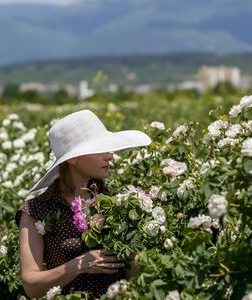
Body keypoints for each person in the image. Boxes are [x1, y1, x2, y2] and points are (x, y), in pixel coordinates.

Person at [15, 109, 151, 298]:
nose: (109, 156)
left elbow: (134, 278)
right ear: (73, 158)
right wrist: (78, 265)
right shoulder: (36, 210)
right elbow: (31, 286)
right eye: (99, 149)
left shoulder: (115, 203)